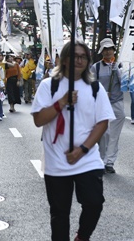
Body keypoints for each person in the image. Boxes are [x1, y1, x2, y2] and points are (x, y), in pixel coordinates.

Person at [32, 41, 115, 241]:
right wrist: (61, 103)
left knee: (94, 202)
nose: (79, 60)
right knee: (60, 214)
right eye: (74, 56)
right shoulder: (48, 85)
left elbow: (102, 122)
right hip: (57, 161)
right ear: (64, 59)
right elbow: (38, 120)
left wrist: (82, 149)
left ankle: (82, 236)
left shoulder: (95, 87)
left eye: (83, 56)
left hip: (87, 158)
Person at [91, 38, 124, 174]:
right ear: (101, 51)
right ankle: (101, 159)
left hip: (117, 102)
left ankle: (109, 162)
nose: (108, 51)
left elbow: (125, 83)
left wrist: (117, 70)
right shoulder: (96, 67)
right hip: (101, 104)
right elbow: (91, 85)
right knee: (104, 133)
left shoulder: (120, 65)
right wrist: (102, 94)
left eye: (110, 48)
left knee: (114, 135)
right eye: (105, 49)